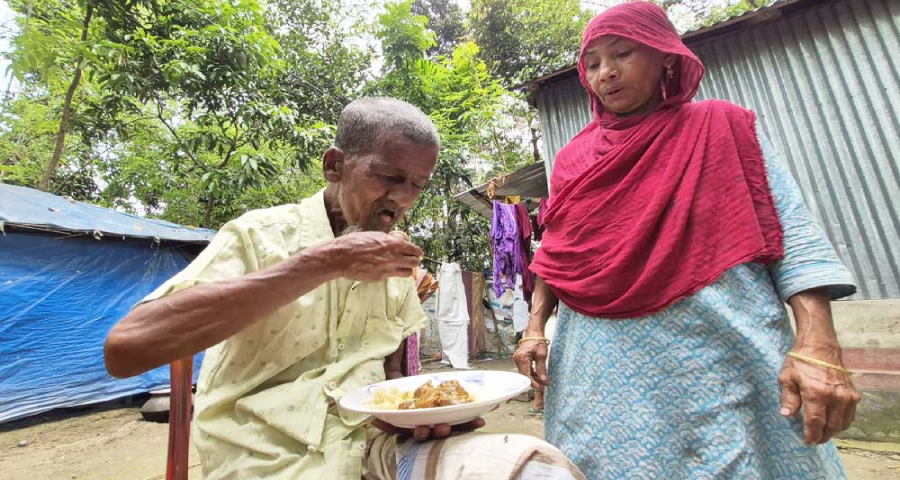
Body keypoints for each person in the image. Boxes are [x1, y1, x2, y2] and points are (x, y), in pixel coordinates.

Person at [104, 97, 585, 480]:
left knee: (536, 468)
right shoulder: (259, 236)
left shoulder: (395, 262)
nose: (403, 198)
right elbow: (126, 349)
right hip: (263, 457)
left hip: (371, 448)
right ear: (334, 165)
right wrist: (323, 263)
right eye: (389, 177)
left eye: (417, 184)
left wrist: (419, 415)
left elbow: (394, 375)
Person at [513, 3, 861, 479]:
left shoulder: (720, 125)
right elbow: (555, 252)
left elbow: (792, 233)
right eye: (592, 64)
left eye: (622, 54)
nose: (605, 73)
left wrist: (818, 344)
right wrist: (535, 328)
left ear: (666, 57)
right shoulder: (575, 158)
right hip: (605, 371)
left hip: (717, 355)